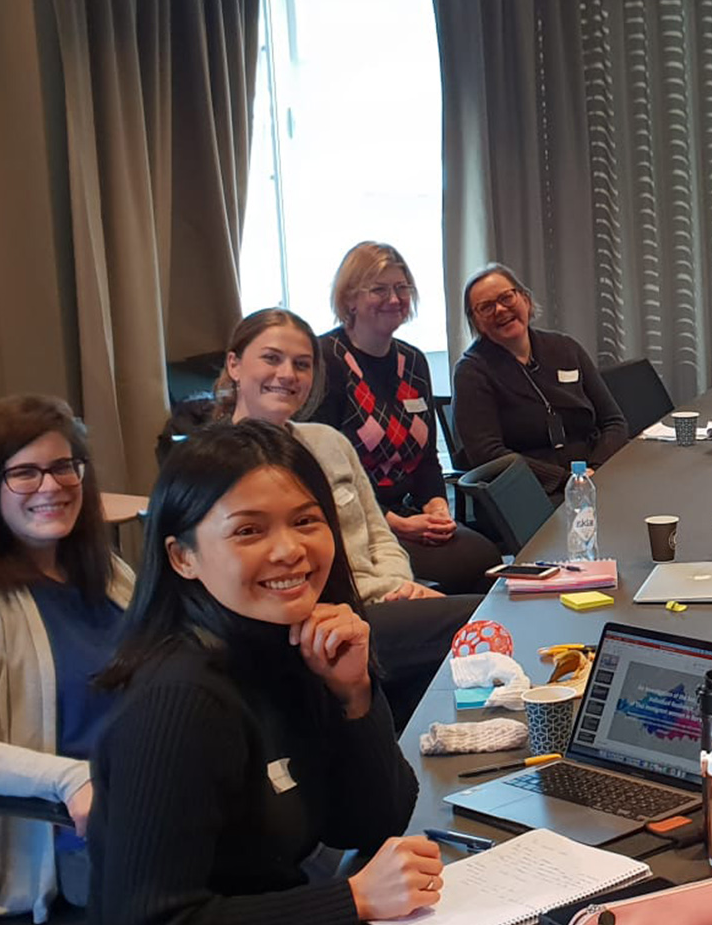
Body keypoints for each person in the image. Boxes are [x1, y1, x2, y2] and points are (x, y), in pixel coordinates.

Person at [88, 421, 436, 925]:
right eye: (249, 530)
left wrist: (353, 698)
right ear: (182, 556)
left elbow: (372, 821)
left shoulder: (285, 645)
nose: (288, 550)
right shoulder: (181, 702)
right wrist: (349, 900)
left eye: (306, 521)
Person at [0, 395, 132, 925]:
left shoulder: (105, 571)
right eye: (24, 473)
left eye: (63, 467)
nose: (52, 486)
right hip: (81, 831)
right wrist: (70, 779)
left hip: (158, 788)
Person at [217, 307, 481, 725]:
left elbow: (378, 533)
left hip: (382, 601)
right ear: (234, 364)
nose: (287, 374)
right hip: (318, 620)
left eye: (301, 364)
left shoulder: (327, 441)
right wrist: (382, 593)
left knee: (438, 683)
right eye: (271, 358)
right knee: (484, 623)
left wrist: (401, 585)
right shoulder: (218, 462)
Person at [307, 241, 500, 593]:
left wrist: (438, 506)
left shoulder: (412, 362)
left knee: (485, 559)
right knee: (466, 574)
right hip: (355, 523)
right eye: (378, 289)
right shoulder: (325, 361)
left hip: (411, 512)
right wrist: (394, 523)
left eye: (401, 288)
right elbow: (325, 473)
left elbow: (425, 460)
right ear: (349, 299)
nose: (394, 299)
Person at [451, 263, 628, 498]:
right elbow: (489, 455)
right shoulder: (471, 372)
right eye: (486, 307)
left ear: (525, 299)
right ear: (476, 322)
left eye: (506, 297)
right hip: (528, 493)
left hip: (595, 475)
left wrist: (596, 469)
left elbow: (614, 421)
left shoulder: (566, 348)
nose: (500, 310)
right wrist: (569, 481)